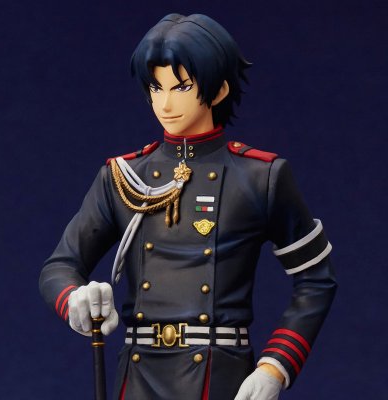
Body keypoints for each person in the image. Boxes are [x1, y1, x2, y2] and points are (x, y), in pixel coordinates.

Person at [39, 13, 337, 400]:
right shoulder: (123, 176)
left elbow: (316, 279)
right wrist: (74, 299)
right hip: (138, 374)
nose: (165, 103)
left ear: (218, 90)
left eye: (181, 87)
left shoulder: (260, 177)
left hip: (220, 376)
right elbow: (59, 267)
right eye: (155, 87)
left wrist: (275, 367)